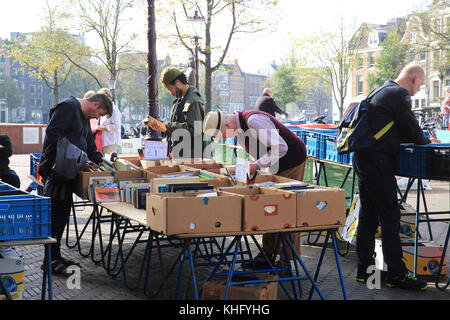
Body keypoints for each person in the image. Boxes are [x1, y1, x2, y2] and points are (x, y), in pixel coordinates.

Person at [353, 63, 440, 290]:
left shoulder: (381, 90)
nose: (419, 89)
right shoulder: (399, 94)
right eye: (420, 84)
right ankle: (397, 274)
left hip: (363, 157)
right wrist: (429, 143)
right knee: (390, 216)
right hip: (378, 161)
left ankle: (366, 271)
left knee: (368, 215)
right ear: (412, 79)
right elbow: (411, 128)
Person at [203, 108, 307, 269]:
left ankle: (285, 262)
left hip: (291, 161)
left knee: (286, 211)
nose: (223, 140)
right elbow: (257, 151)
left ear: (227, 125)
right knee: (271, 208)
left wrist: (256, 165)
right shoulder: (237, 129)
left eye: (222, 135)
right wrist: (252, 167)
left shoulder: (253, 121)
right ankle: (267, 255)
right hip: (277, 164)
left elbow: (281, 147)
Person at [38, 93, 112, 275]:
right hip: (58, 171)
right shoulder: (68, 107)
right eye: (99, 114)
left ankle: (55, 255)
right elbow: (51, 133)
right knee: (55, 215)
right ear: (95, 105)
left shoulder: (84, 116)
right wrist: (70, 154)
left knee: (62, 214)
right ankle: (49, 260)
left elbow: (89, 143)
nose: (97, 118)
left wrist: (103, 163)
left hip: (69, 171)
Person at [149, 66, 208, 159]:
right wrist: (163, 128)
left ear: (178, 83)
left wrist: (169, 126)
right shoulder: (178, 102)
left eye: (171, 89)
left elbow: (196, 131)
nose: (171, 93)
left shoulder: (193, 101)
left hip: (193, 157)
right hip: (182, 155)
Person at [94, 88, 122, 155]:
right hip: (104, 142)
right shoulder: (105, 109)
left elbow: (116, 125)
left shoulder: (114, 109)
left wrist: (100, 128)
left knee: (108, 163)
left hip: (111, 142)